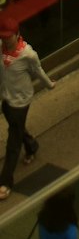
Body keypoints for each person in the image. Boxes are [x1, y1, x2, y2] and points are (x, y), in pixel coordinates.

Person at [0, 17, 55, 199]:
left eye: (9, 37)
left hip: (21, 102)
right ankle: (32, 146)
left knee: (13, 141)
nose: (6, 40)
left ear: (17, 35)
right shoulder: (1, 50)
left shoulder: (27, 54)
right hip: (7, 100)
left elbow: (38, 71)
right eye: (3, 37)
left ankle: (5, 182)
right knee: (17, 127)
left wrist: (49, 85)